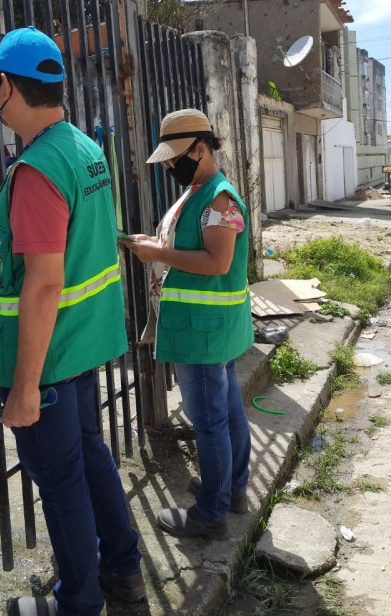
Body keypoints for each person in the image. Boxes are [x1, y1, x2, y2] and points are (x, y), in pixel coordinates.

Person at [0, 26, 143, 616]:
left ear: (4, 88)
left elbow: (43, 285)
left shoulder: (38, 169)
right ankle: (122, 567)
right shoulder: (81, 149)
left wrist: (22, 388)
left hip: (45, 359)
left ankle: (78, 601)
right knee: (89, 457)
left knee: (61, 480)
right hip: (80, 346)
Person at [123, 108, 253, 541]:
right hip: (209, 325)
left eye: (176, 156)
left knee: (210, 420)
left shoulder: (219, 198)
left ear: (201, 148)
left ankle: (210, 513)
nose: (170, 166)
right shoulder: (203, 191)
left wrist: (158, 255)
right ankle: (231, 489)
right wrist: (156, 245)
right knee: (227, 411)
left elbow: (218, 261)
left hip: (202, 330)